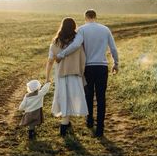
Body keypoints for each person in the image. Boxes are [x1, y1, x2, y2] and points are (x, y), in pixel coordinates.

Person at [56, 9, 119, 137]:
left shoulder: (82, 30)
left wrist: (62, 54)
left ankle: (89, 121)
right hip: (102, 67)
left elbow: (75, 45)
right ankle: (100, 128)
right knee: (101, 97)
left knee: (89, 95)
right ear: (95, 17)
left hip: (88, 67)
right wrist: (116, 63)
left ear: (85, 18)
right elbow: (113, 48)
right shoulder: (105, 29)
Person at [46, 17, 88, 136]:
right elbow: (83, 57)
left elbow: (50, 61)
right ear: (74, 27)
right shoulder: (78, 42)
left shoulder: (55, 43)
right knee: (71, 98)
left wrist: (47, 77)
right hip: (75, 74)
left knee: (63, 98)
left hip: (61, 75)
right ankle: (65, 125)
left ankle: (65, 124)